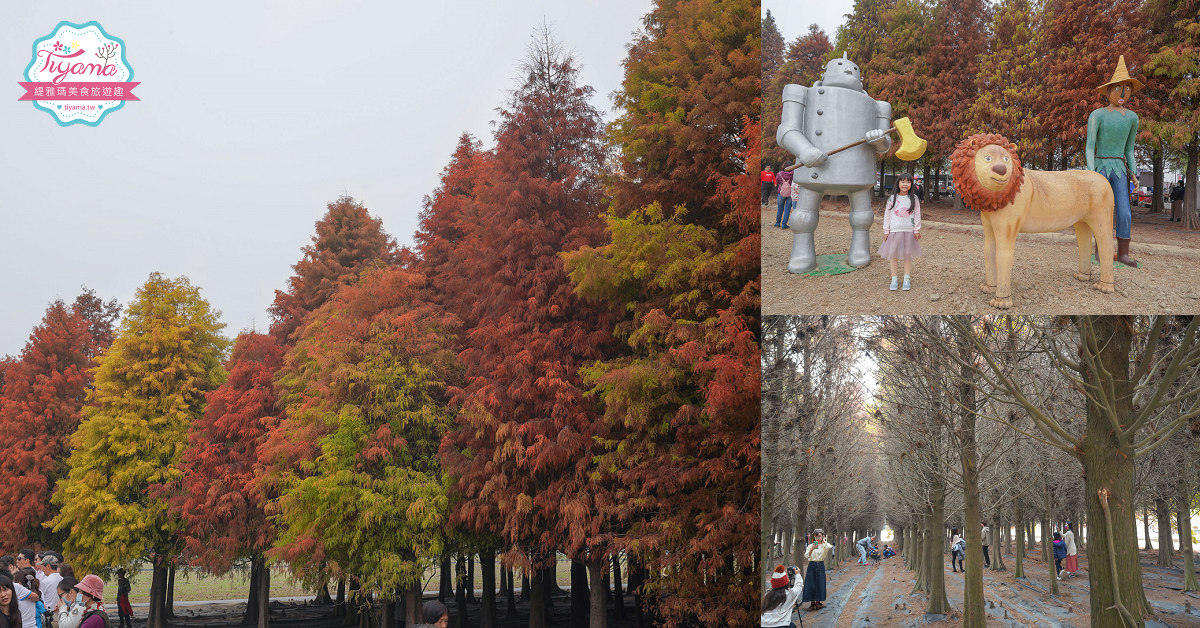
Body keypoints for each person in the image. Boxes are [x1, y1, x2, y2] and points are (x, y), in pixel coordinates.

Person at [1086, 55, 1142, 267]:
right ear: (1108, 91)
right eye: (1118, 88)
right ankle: (1100, 251)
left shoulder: (1132, 118)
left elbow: (1129, 149)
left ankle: (1124, 253)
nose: (1122, 93)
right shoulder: (1097, 115)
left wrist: (1134, 172)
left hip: (1119, 168)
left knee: (1124, 210)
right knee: (1101, 209)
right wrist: (1091, 172)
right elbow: (1090, 146)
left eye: (1127, 89)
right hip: (1100, 166)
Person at [879, 172, 922, 291]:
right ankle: (894, 279)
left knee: (908, 255)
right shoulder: (892, 199)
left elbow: (917, 215)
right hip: (895, 230)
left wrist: (916, 229)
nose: (905, 184)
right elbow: (887, 215)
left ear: (911, 184)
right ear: (898, 183)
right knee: (894, 255)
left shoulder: (914, 199)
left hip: (909, 230)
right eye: (903, 181)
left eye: (908, 182)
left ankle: (906, 278)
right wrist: (886, 230)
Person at [802, 529, 834, 611]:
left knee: (820, 583)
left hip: (820, 565)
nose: (817, 538)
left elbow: (830, 547)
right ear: (814, 537)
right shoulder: (810, 546)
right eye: (816, 536)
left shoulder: (824, 546)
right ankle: (812, 603)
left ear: (822, 536)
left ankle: (818, 602)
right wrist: (812, 548)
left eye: (819, 536)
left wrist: (824, 541)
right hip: (812, 565)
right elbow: (806, 556)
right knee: (811, 583)